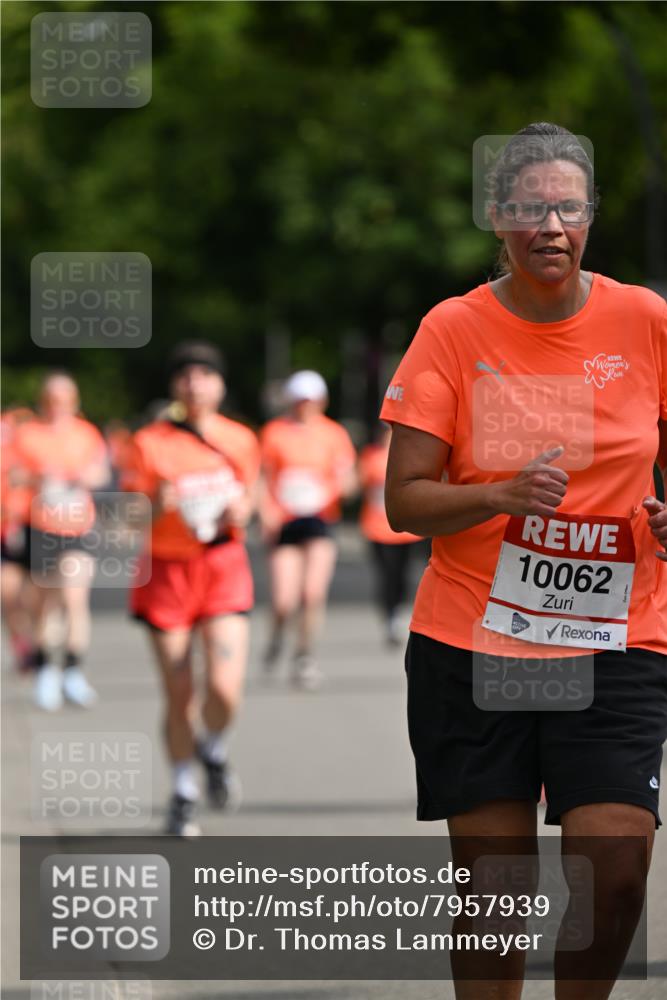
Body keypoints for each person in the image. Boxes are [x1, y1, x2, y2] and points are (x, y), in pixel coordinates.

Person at [382, 123, 667, 999]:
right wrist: (497, 495)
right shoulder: (453, 328)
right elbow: (403, 500)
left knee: (614, 873)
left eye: (568, 208)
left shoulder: (644, 320)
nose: (551, 225)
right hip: (475, 639)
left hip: (617, 635)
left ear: (589, 219)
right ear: (497, 220)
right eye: (530, 208)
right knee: (494, 892)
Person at [122, 341, 260, 837]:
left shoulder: (241, 439)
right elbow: (126, 521)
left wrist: (244, 511)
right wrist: (157, 505)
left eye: (205, 373)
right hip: (166, 572)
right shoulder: (149, 443)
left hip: (222, 566)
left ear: (220, 385)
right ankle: (183, 790)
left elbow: (251, 494)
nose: (194, 382)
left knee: (223, 690)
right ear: (174, 385)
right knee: (179, 692)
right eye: (185, 374)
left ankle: (214, 748)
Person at [12, 374, 109, 710]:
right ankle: (45, 669)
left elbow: (101, 473)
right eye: (52, 398)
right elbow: (12, 474)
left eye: (65, 398)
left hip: (78, 526)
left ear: (75, 400)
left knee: (74, 595)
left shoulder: (87, 434)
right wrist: (39, 476)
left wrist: (84, 477)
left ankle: (72, 669)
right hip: (40, 526)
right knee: (46, 606)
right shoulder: (28, 434)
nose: (58, 405)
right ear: (44, 400)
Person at [259, 370, 357, 689]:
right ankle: (276, 637)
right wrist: (266, 512)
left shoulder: (334, 434)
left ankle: (304, 656)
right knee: (284, 600)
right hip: (285, 522)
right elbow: (261, 477)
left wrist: (345, 485)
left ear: (322, 402)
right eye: (300, 400)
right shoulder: (274, 433)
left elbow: (349, 479)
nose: (305, 406)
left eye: (311, 400)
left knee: (312, 593)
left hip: (320, 519)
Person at [358, 422, 423, 646]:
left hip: (406, 530)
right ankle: (389, 615)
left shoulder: (410, 455)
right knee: (386, 574)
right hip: (377, 527)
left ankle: (398, 611)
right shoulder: (371, 456)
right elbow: (362, 485)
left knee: (402, 574)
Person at [1, 407, 37, 671]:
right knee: (8, 591)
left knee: (36, 594)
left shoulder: (37, 445)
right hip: (5, 528)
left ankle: (40, 640)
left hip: (37, 525)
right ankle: (21, 643)